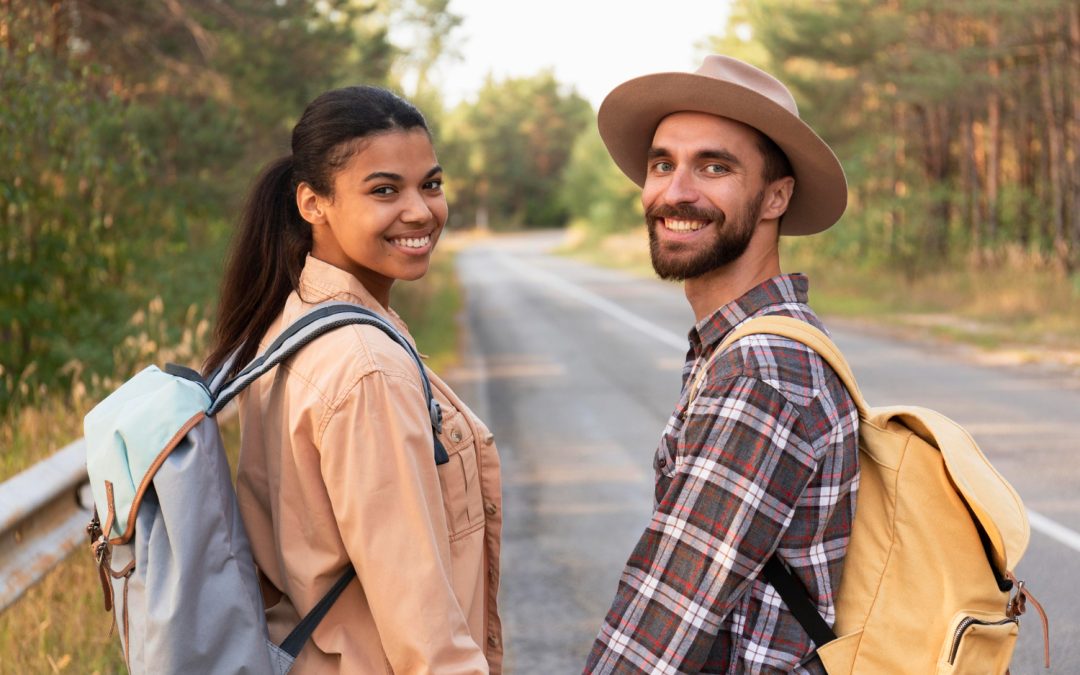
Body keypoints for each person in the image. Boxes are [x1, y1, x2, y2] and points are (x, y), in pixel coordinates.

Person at [202, 86, 503, 673]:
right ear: (313, 203)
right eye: (384, 190)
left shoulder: (291, 320)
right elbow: (422, 628)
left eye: (431, 185)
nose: (420, 211)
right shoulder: (366, 367)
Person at [584, 56, 860, 673]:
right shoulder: (750, 344)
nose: (675, 192)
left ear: (776, 196)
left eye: (714, 166)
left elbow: (662, 625)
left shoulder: (760, 371)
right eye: (663, 164)